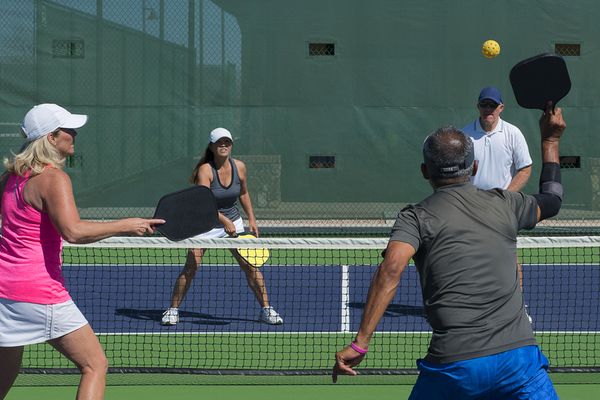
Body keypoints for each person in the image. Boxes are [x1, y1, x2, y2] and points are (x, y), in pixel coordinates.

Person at [332, 104, 566, 399]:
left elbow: (391, 269)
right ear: (475, 168)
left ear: (424, 171)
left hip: (455, 367)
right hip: (519, 363)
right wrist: (550, 142)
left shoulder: (415, 217)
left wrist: (360, 344)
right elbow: (553, 199)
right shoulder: (506, 204)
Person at [0, 104, 164, 400]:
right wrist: (126, 225)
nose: (74, 135)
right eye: (68, 130)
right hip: (39, 293)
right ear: (51, 138)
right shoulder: (54, 179)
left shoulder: (10, 179)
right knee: (95, 364)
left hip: (4, 293)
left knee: (6, 368)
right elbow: (72, 231)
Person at [161, 127, 283, 326]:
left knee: (250, 266)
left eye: (227, 142)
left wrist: (251, 218)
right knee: (192, 266)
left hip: (233, 221)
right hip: (205, 224)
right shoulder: (205, 170)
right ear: (212, 146)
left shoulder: (240, 167)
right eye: (219, 142)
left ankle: (266, 309)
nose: (223, 145)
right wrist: (223, 221)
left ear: (231, 145)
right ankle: (173, 310)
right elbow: (204, 202)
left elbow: (243, 193)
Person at [462, 86, 533, 191]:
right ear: (478, 106)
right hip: (473, 203)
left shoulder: (513, 133)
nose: (488, 109)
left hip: (503, 203)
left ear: (501, 108)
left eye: (492, 105)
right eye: (484, 104)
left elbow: (525, 169)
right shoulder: (464, 135)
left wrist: (506, 197)